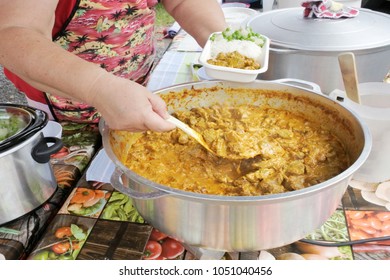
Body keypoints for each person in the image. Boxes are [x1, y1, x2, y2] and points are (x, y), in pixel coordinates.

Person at [0, 0, 227, 132]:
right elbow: (11, 35)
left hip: (137, 86)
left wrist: (224, 46)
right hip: (69, 106)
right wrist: (98, 87)